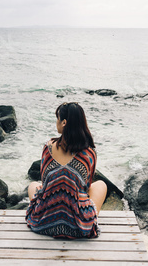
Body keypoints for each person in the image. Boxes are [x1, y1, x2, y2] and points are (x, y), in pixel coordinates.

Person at [26, 102, 107, 239]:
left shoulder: (48, 148)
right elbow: (86, 188)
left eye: (57, 118)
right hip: (78, 228)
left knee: (33, 185)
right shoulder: (89, 153)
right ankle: (89, 219)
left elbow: (44, 181)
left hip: (45, 224)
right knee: (100, 185)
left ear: (64, 122)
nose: (56, 122)